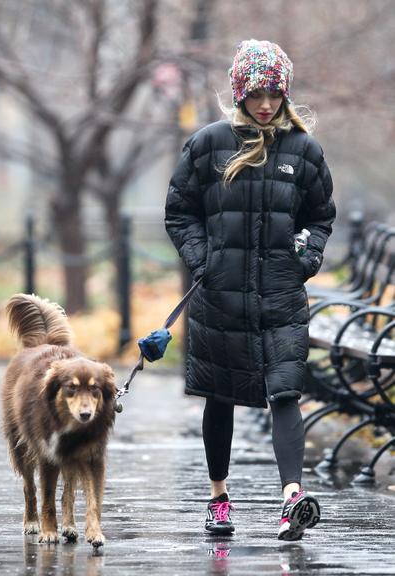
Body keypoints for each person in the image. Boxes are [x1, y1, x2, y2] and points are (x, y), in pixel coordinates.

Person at [165, 39, 336, 541]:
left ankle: (292, 498)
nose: (266, 104)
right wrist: (204, 260)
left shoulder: (303, 150)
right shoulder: (208, 144)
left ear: (285, 94)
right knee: (220, 397)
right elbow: (180, 212)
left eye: (275, 93)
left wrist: (306, 257)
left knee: (285, 390)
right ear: (240, 92)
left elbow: (320, 216)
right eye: (257, 93)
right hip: (220, 293)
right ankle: (219, 497)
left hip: (281, 294)